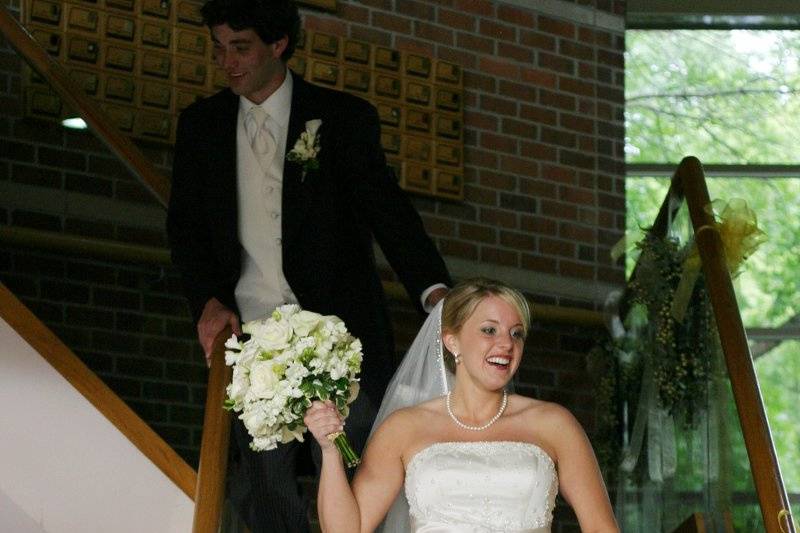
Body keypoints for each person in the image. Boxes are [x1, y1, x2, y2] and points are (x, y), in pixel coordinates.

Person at [165, 0, 451, 531]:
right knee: (263, 490)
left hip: (341, 337)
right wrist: (207, 299)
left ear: (279, 45)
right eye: (219, 49)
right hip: (252, 343)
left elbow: (388, 212)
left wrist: (435, 292)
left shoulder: (341, 119)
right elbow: (185, 229)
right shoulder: (201, 126)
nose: (227, 62)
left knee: (350, 475)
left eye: (241, 47)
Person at [305, 278, 619, 532]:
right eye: (489, 330)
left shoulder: (554, 424)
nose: (506, 344)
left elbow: (600, 526)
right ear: (452, 341)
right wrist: (330, 450)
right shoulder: (404, 427)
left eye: (516, 334)